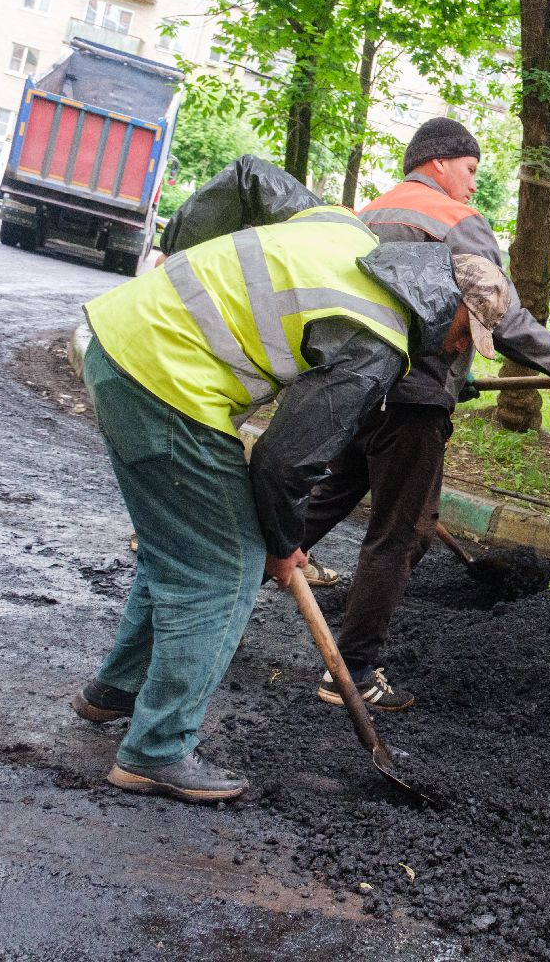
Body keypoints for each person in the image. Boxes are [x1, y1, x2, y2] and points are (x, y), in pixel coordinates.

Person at [71, 184, 512, 804]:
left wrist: (178, 248)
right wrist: (280, 546)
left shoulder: (345, 230)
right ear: (444, 304)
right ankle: (156, 751)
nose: (460, 350)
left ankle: (114, 692)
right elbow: (283, 462)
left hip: (121, 342)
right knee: (227, 569)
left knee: (182, 551)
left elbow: (250, 174)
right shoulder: (375, 340)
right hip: (166, 384)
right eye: (467, 334)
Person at [290, 118, 550, 713]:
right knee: (401, 531)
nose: (471, 186)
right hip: (411, 404)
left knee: (322, 502)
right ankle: (352, 671)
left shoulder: (371, 213)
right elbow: (498, 314)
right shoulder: (458, 222)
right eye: (469, 171)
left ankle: (216, 600)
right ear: (440, 162)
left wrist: (455, 378)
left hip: (358, 388)